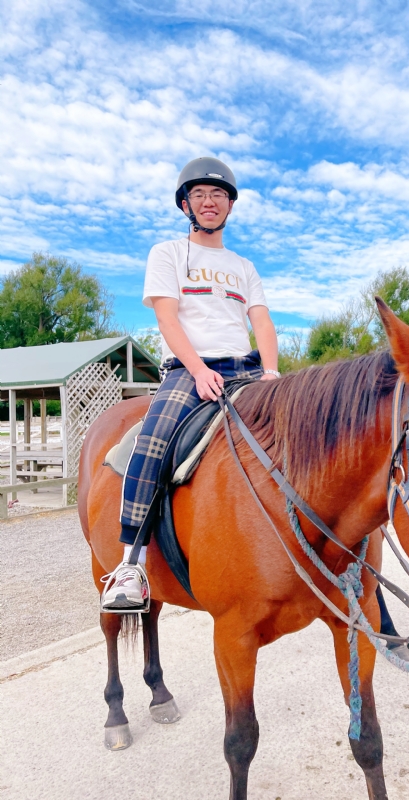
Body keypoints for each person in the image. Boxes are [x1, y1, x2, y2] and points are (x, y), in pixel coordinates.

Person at [101, 157, 280, 611]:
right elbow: (167, 318)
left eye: (217, 194)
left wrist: (273, 373)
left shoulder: (243, 266)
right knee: (154, 439)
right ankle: (131, 563)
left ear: (230, 205)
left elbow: (261, 321)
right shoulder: (166, 253)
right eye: (199, 194)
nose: (208, 201)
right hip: (189, 369)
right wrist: (198, 370)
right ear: (186, 204)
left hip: (247, 369)